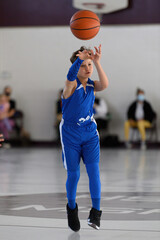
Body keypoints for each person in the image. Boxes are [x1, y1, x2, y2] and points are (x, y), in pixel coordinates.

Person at [59, 44, 109, 231]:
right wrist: (79, 59)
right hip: (70, 134)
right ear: (76, 66)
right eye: (83, 65)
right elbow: (70, 76)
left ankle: (95, 213)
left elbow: (104, 84)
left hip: (89, 133)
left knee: (94, 171)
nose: (87, 69)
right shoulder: (70, 85)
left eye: (89, 65)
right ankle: (71, 207)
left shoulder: (91, 85)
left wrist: (96, 62)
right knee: (74, 174)